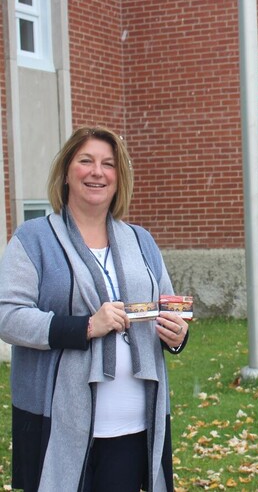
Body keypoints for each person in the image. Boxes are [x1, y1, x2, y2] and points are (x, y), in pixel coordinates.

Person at [0, 126, 190, 491]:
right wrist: (85, 326)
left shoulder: (141, 240)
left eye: (108, 164)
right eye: (85, 161)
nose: (96, 172)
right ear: (67, 172)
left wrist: (177, 334)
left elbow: (169, 307)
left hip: (136, 427)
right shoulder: (34, 239)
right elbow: (8, 317)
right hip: (57, 425)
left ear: (119, 178)